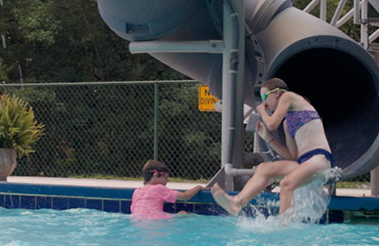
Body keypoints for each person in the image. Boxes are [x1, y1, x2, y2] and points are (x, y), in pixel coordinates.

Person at [211, 78, 336, 217]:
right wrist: (267, 137)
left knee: (286, 183)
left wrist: (261, 111)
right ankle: (237, 202)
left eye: (265, 96)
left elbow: (271, 124)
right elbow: (293, 156)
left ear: (276, 93)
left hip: (320, 159)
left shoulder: (288, 96)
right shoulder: (287, 123)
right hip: (304, 162)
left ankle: (283, 226)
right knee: (264, 168)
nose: (265, 103)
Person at [130, 160, 203, 219]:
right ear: (155, 175)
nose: (167, 181)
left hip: (137, 220)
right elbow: (185, 196)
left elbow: (133, 210)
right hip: (155, 220)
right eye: (165, 177)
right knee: (183, 214)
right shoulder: (158, 188)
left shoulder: (137, 191)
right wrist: (199, 187)